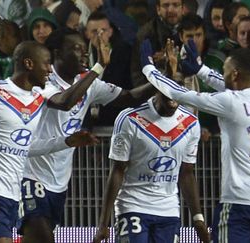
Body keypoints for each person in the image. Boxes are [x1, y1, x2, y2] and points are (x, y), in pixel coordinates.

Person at [0, 41, 101, 243]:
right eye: (46, 64)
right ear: (29, 64)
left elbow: (26, 148)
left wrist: (66, 141)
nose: (50, 70)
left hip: (12, 194)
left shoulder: (37, 101)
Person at [19, 28, 155, 243]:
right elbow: (64, 102)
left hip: (59, 182)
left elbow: (129, 97)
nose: (83, 54)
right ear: (57, 54)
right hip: (30, 175)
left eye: (85, 49)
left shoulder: (88, 83)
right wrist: (98, 66)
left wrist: (162, 79)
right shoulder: (43, 80)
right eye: (76, 49)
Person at [141, 40, 250, 242]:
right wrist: (201, 70)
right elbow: (230, 86)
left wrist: (149, 70)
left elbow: (180, 94)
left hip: (239, 203)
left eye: (225, 70)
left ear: (235, 74)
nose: (222, 74)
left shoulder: (230, 102)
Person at [92, 77, 210, 242]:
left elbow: (187, 173)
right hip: (133, 204)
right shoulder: (129, 118)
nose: (173, 93)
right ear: (157, 87)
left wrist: (198, 219)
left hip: (169, 211)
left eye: (179, 87)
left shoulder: (191, 124)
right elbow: (117, 170)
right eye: (168, 87)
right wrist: (103, 223)